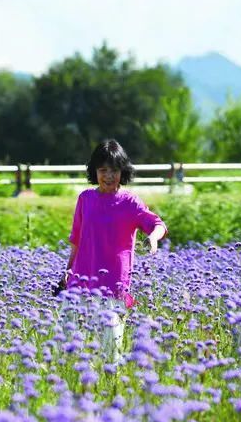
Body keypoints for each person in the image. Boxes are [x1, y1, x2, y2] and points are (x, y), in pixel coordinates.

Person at [57, 139, 167, 360]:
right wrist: (67, 273)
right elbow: (76, 240)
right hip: (80, 282)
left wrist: (153, 239)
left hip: (113, 287)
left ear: (122, 171)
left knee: (110, 351)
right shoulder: (85, 199)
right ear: (94, 171)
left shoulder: (130, 202)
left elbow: (157, 225)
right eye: (103, 170)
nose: (108, 176)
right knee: (68, 347)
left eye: (114, 170)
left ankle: (110, 389)